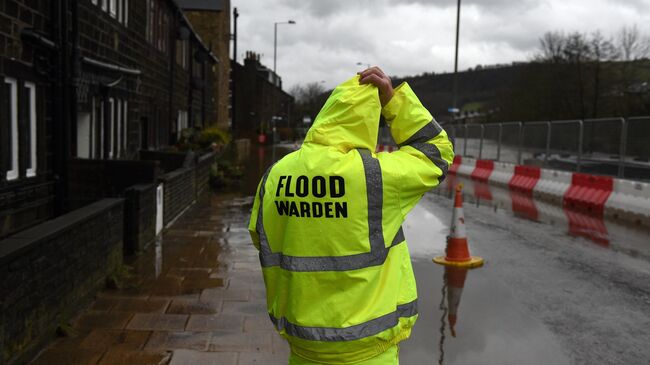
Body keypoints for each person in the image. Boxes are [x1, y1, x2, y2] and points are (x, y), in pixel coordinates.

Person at [249, 67, 454, 364]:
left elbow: (261, 237)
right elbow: (438, 151)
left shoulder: (276, 174)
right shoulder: (377, 176)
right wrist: (393, 100)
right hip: (370, 353)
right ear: (368, 122)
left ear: (326, 115)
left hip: (304, 349)